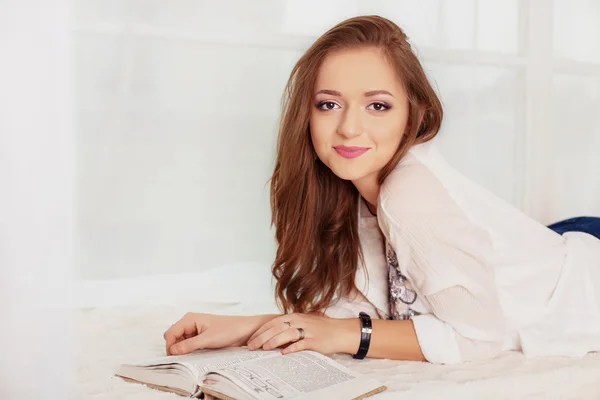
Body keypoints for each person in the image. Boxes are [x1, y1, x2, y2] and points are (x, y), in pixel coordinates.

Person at [163, 15, 600, 364]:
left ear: (414, 114)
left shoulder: (408, 196)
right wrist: (243, 327)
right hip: (555, 244)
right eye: (329, 104)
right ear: (307, 114)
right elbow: (368, 309)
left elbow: (476, 338)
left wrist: (347, 336)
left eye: (378, 105)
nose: (350, 127)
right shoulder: (355, 190)